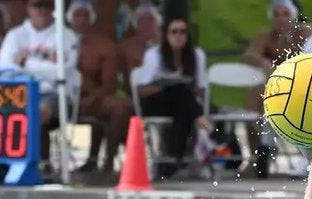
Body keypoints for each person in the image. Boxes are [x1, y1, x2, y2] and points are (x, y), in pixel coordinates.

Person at [0, 0, 79, 170]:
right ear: (28, 8)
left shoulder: (67, 35)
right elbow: (4, 69)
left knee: (37, 110)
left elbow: (61, 73)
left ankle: (37, 163)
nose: (42, 10)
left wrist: (25, 63)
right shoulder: (14, 35)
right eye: (37, 5)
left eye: (47, 5)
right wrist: (46, 65)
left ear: (53, 8)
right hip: (18, 92)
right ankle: (6, 162)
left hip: (55, 95)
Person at [135, 15, 210, 178]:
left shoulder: (196, 55)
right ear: (166, 34)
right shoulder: (154, 54)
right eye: (173, 32)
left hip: (183, 105)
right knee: (179, 91)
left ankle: (169, 164)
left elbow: (202, 90)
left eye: (182, 32)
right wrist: (166, 84)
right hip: (156, 102)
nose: (178, 36)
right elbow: (142, 91)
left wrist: (187, 85)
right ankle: (199, 118)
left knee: (183, 102)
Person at [241, 0, 306, 177]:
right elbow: (249, 55)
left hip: (301, 89)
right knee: (254, 96)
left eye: (285, 14)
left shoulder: (304, 33)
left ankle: (311, 157)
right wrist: (264, 62)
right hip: (276, 92)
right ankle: (258, 156)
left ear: (294, 16)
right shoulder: (267, 36)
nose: (281, 19)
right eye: (276, 15)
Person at [67, 0, 131, 177]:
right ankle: (43, 163)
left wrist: (92, 98)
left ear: (92, 19)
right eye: (77, 15)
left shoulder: (104, 46)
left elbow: (109, 85)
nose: (81, 20)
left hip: (91, 98)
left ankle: (108, 161)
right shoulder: (56, 40)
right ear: (70, 18)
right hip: (60, 98)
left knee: (121, 107)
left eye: (85, 15)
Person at [117, 1, 158, 75]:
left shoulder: (167, 44)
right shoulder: (128, 47)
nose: (146, 25)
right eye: (141, 21)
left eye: (149, 20)